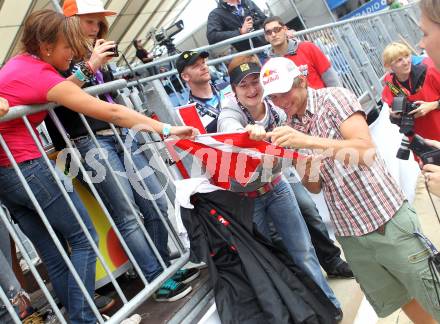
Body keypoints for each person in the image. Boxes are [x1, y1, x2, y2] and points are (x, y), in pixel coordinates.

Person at [0, 9, 196, 323]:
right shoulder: (42, 75)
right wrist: (167, 130)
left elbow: (66, 89)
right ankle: (86, 318)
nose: (74, 53)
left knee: (54, 250)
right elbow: (114, 113)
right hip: (26, 167)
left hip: (8, 175)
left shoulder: (19, 65)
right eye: (68, 46)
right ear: (47, 47)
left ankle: (85, 317)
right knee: (82, 238)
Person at [257, 56, 440, 323]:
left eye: (286, 93)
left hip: (385, 219)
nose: (283, 102)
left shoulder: (334, 99)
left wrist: (307, 141)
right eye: (274, 98)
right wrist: (295, 154)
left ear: (302, 82)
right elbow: (315, 186)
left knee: (433, 295)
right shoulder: (291, 126)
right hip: (351, 235)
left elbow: (365, 150)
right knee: (403, 299)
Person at [46, 0, 200, 302]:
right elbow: (62, 95)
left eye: (98, 22)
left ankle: (163, 267)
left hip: (121, 132)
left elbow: (110, 92)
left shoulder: (96, 49)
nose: (96, 28)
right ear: (72, 22)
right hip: (88, 140)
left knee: (155, 201)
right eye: (89, 22)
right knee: (127, 214)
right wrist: (92, 63)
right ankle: (155, 278)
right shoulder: (58, 55)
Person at [217, 55, 342, 320]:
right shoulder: (229, 112)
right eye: (243, 85)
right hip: (246, 199)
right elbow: (229, 129)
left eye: (255, 82)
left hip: (277, 185)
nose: (251, 90)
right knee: (269, 262)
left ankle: (329, 307)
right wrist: (246, 133)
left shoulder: (276, 107)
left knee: (303, 251)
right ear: (234, 91)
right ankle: (296, 314)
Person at [381, 42, 440, 142]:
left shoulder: (430, 72)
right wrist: (394, 116)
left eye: (407, 56)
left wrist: (433, 105)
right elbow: (398, 120)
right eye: (399, 60)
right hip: (421, 141)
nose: (406, 62)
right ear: (389, 66)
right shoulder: (391, 86)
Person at [264, 16, 341, 89]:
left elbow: (331, 79)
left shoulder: (308, 48)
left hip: (322, 100)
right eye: (268, 32)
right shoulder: (268, 66)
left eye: (276, 29)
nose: (273, 34)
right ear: (266, 37)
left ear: (285, 29)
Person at [176, 50, 232, 133]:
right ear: (185, 76)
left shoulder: (229, 87)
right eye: (196, 66)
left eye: (203, 62)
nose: (204, 67)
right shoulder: (189, 113)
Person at [419, 0, 440, 196]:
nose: (421, 44)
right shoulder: (392, 82)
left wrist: (432, 105)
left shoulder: (431, 71)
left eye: (425, 33)